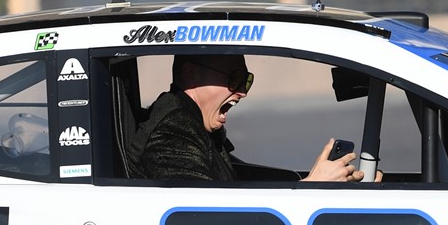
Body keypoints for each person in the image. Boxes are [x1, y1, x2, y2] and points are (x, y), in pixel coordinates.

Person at [127, 54, 379, 182]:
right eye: (235, 79)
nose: (243, 91)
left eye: (246, 81)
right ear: (191, 74)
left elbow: (239, 186)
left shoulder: (197, 127)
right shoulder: (173, 133)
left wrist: (312, 183)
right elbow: (202, 219)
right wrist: (312, 187)